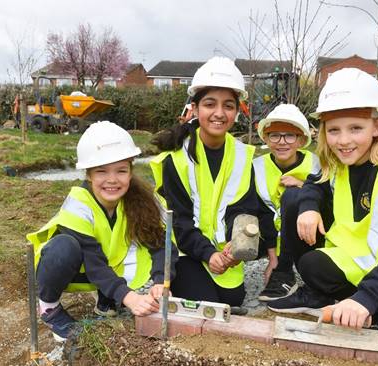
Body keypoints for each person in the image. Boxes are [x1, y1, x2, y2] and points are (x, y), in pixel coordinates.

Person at [268, 68, 378, 337]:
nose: (344, 141)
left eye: (355, 128)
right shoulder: (341, 162)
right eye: (334, 130)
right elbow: (315, 182)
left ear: (376, 126)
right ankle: (321, 295)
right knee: (299, 215)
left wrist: (368, 298)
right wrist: (309, 208)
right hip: (359, 261)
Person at [27, 121, 177, 341]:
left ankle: (106, 300)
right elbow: (94, 263)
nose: (112, 180)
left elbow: (161, 244)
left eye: (121, 171)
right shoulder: (78, 204)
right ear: (88, 174)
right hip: (69, 266)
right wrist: (129, 298)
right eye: (101, 171)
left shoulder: (143, 199)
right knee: (64, 247)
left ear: (131, 171)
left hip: (108, 265)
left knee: (145, 245)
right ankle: (50, 308)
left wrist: (161, 282)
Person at [150, 56, 259, 307]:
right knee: (208, 305)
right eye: (210, 104)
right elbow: (178, 222)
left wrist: (235, 243)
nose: (219, 114)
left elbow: (243, 208)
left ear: (237, 111)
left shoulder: (242, 155)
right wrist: (208, 254)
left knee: (233, 300)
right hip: (185, 249)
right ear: (195, 109)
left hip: (222, 251)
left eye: (228, 106)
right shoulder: (175, 159)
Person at [253, 104, 322, 301]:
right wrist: (273, 259)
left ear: (301, 140)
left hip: (309, 235)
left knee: (293, 196)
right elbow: (262, 213)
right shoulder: (256, 168)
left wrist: (303, 186)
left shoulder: (317, 164)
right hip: (271, 236)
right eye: (275, 135)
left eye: (290, 135)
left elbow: (330, 203)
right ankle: (282, 272)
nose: (282, 142)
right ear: (266, 138)